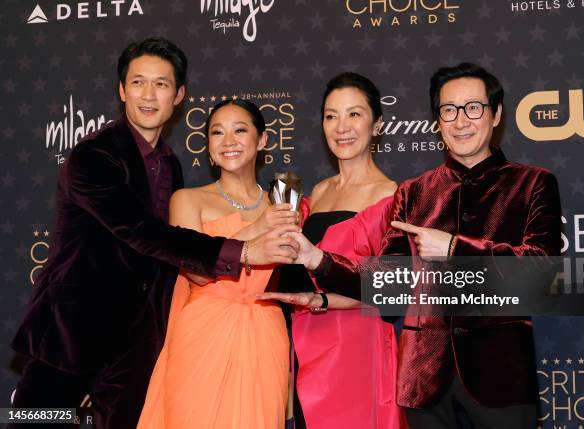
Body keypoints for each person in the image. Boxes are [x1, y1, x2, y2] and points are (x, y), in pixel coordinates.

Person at [9, 39, 299, 429]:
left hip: (134, 343)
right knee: (33, 422)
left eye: (161, 84)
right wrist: (243, 250)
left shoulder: (170, 166)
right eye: (138, 82)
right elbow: (140, 232)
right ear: (121, 90)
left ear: (178, 95)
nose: (149, 94)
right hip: (72, 328)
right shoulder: (93, 156)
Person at [268, 63, 562, 429]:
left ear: (496, 114)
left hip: (500, 379)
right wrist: (318, 261)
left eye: (473, 108)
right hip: (425, 384)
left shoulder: (533, 184)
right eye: (448, 110)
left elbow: (542, 274)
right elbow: (388, 287)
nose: (460, 120)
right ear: (437, 120)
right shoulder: (414, 192)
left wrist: (456, 248)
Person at [137, 99, 299, 429]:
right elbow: (196, 272)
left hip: (266, 333)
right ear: (208, 147)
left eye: (240, 130)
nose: (228, 141)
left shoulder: (283, 203)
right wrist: (258, 227)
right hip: (203, 332)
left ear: (263, 141)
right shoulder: (187, 200)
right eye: (217, 132)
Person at [272, 72, 406, 429]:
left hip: (358, 344)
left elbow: (392, 292)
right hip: (307, 338)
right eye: (331, 116)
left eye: (354, 114)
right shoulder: (318, 191)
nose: (341, 127)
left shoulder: (391, 195)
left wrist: (324, 301)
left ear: (377, 124)